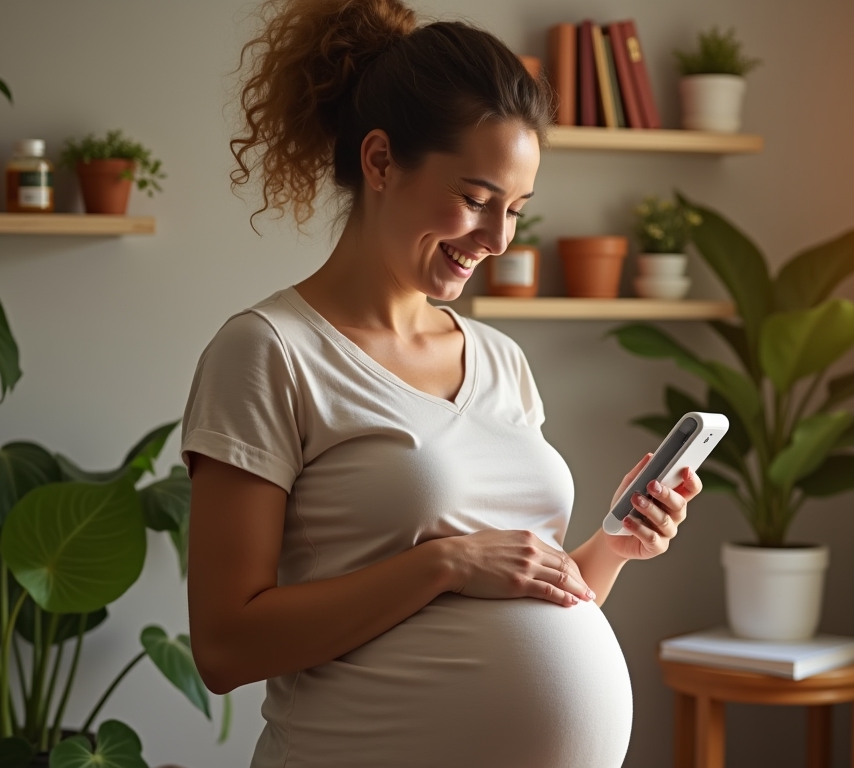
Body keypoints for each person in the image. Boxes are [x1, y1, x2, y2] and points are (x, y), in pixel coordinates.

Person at [182, 1, 703, 766]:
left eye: (517, 211)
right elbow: (225, 647)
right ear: (382, 161)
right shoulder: (269, 353)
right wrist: (445, 562)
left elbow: (530, 590)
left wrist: (612, 549)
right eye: (476, 199)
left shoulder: (501, 362)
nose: (497, 240)